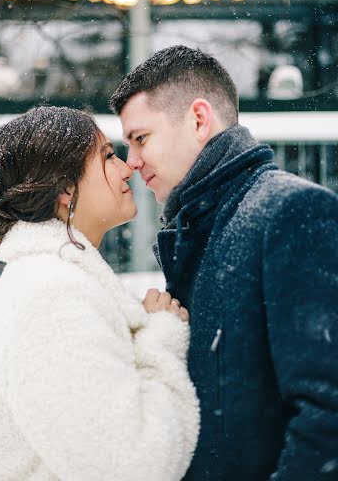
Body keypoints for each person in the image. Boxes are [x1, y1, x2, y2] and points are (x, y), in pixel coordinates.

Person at [110, 45, 338, 481]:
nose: (133, 161)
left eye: (141, 139)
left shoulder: (289, 211)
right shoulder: (201, 229)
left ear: (198, 119)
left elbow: (327, 414)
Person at [0, 106, 200, 481]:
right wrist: (161, 338)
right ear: (65, 188)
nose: (126, 167)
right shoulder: (51, 295)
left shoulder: (51, 279)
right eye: (107, 157)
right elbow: (133, 466)